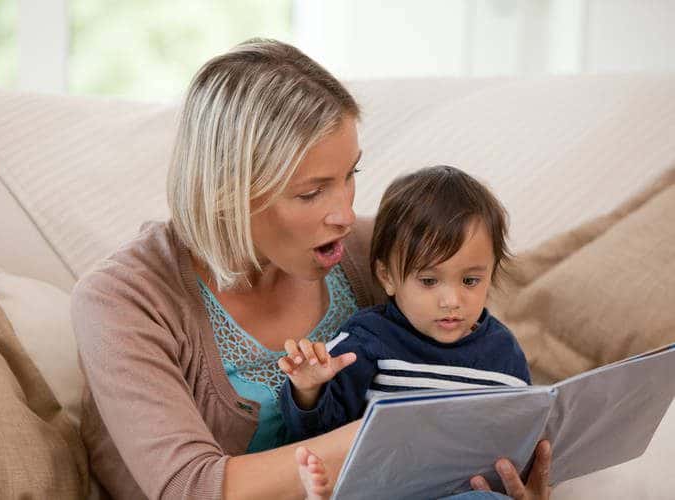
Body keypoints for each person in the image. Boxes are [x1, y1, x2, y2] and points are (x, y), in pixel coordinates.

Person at [70, 38, 552, 499]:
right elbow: (190, 487)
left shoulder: (374, 251)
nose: (344, 213)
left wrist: (503, 469)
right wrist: (411, 430)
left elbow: (475, 325)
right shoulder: (122, 299)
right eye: (311, 192)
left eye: (350, 176)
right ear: (226, 192)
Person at [278, 165, 531, 444]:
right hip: (388, 483)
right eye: (428, 281)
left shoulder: (504, 353)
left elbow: (520, 436)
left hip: (468, 483)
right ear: (387, 277)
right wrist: (309, 389)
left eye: (470, 281)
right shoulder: (368, 338)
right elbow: (319, 435)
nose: (452, 301)